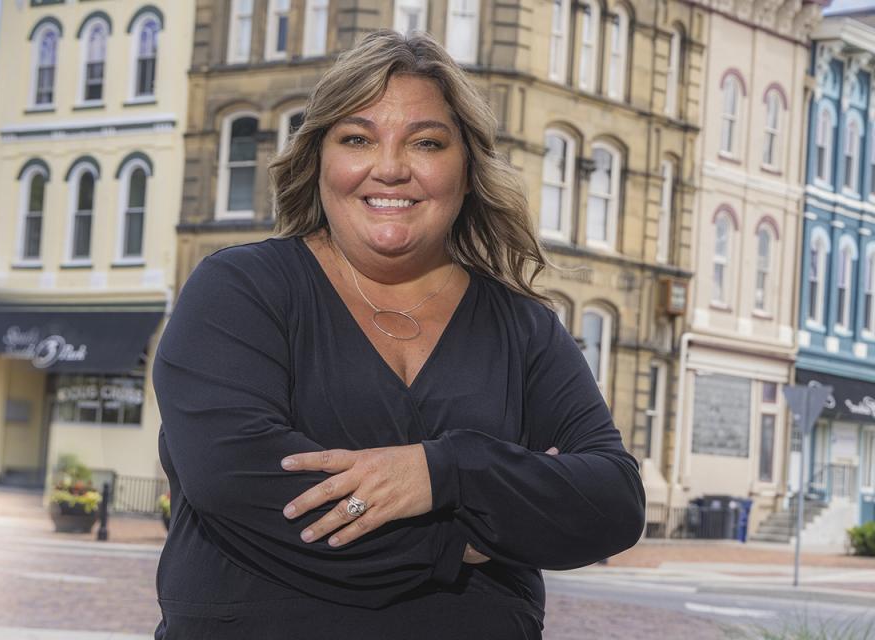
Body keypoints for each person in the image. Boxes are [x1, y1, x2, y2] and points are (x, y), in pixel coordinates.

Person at [152, 29, 644, 639]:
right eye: (357, 138)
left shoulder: (524, 327)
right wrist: (469, 537)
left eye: (427, 142)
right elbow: (239, 484)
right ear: (319, 161)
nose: (389, 169)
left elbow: (612, 501)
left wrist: (449, 470)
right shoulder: (239, 290)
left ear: (466, 170)